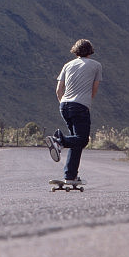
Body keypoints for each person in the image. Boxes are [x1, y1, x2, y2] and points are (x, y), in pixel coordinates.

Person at [45, 38, 102, 183]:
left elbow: (59, 89)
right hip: (80, 106)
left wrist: (64, 104)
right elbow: (93, 90)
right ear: (90, 51)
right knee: (82, 140)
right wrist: (85, 104)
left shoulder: (67, 65)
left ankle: (70, 176)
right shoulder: (96, 65)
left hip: (64, 105)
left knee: (76, 141)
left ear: (75, 50)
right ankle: (60, 141)